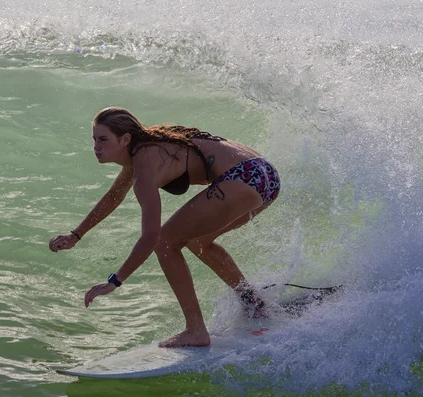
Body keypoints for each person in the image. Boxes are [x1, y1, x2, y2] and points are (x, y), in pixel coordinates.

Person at [48, 107, 280, 347]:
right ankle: (253, 302)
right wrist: (77, 234)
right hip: (266, 176)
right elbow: (113, 197)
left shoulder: (146, 166)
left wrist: (114, 282)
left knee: (165, 241)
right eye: (94, 139)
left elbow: (151, 237)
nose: (96, 146)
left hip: (245, 178)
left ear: (125, 139)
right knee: (198, 242)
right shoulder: (145, 149)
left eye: (103, 139)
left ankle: (195, 330)